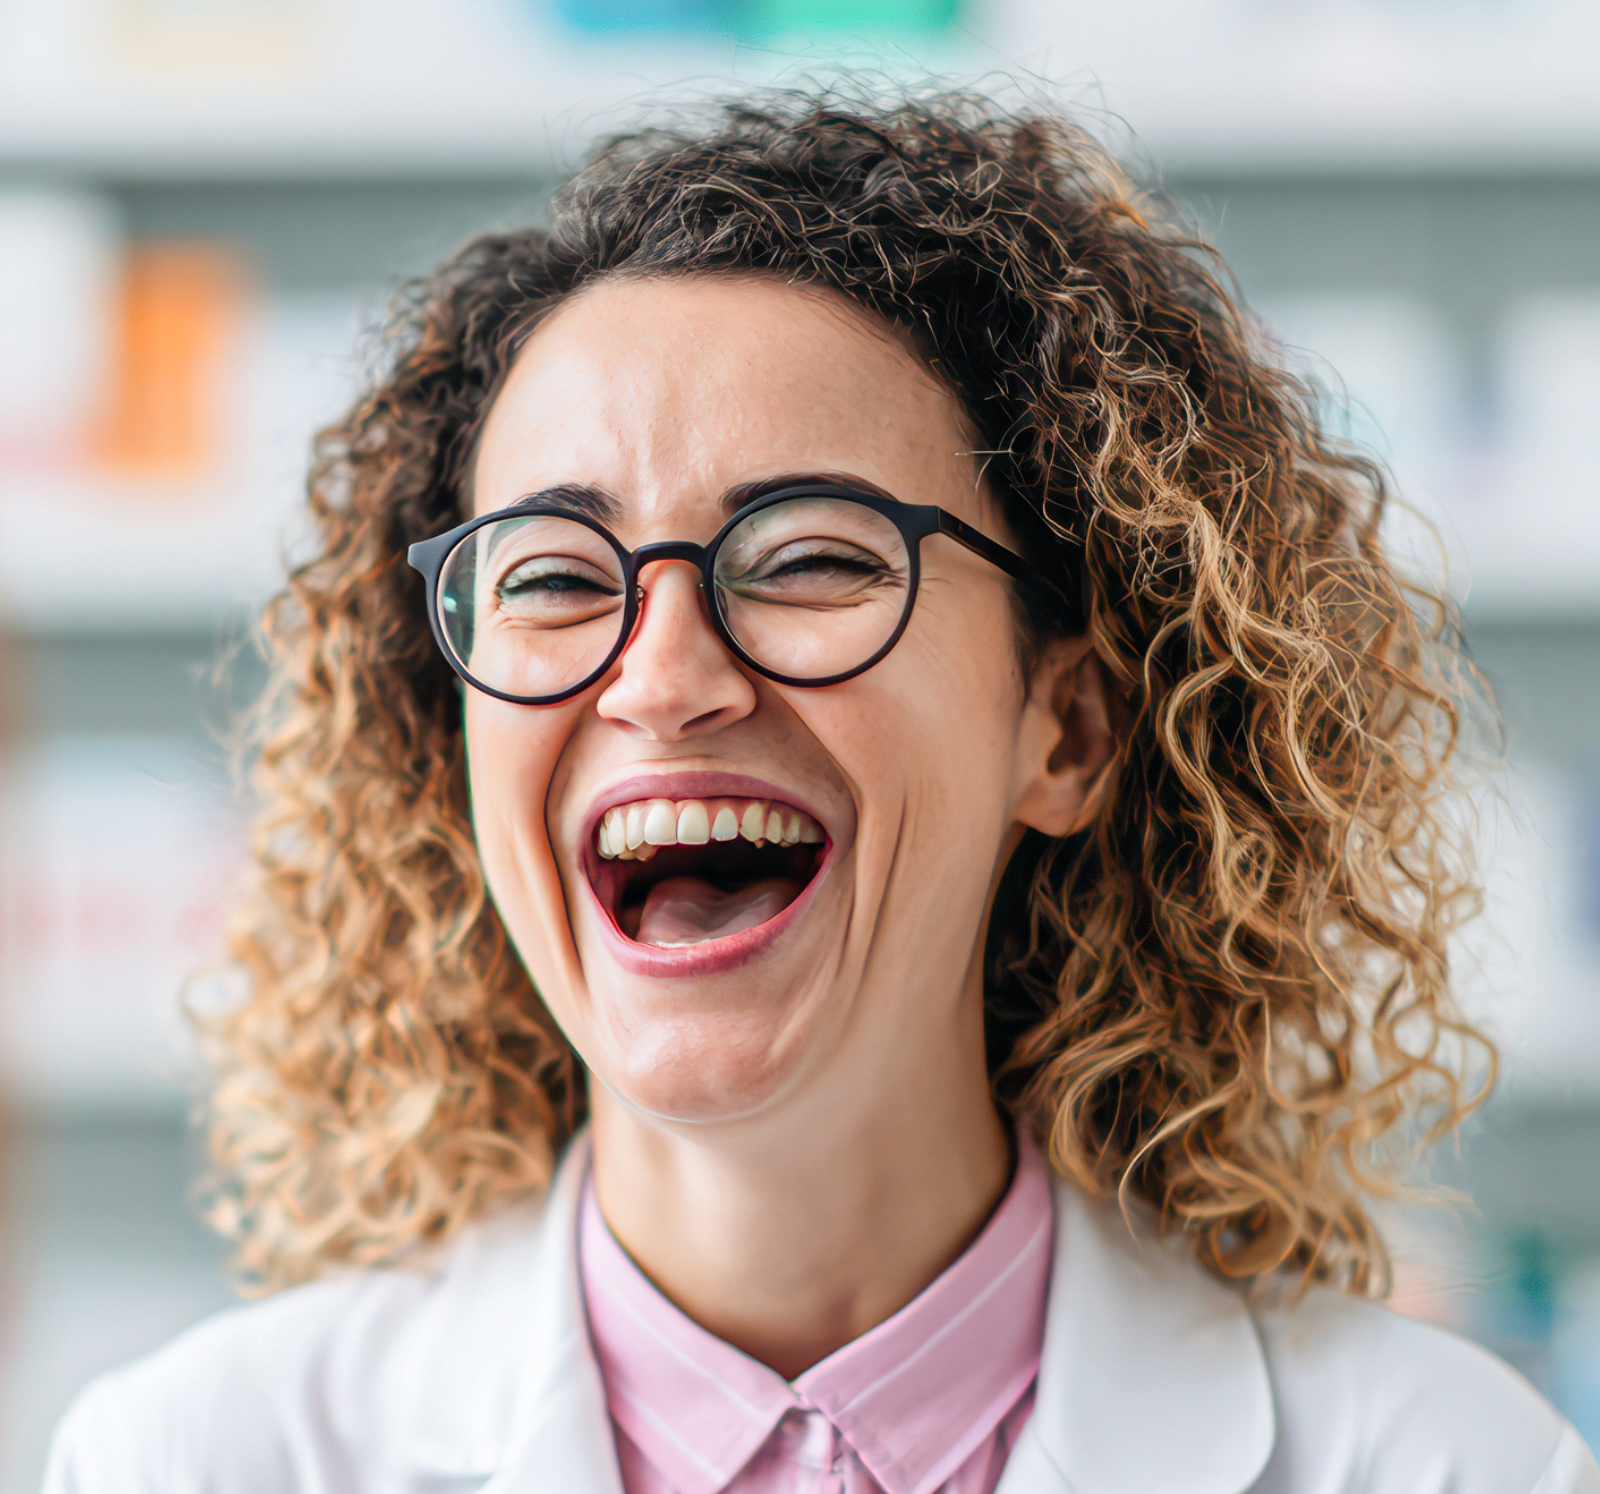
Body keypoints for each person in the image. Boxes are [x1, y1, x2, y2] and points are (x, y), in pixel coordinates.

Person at [44, 92, 1600, 1494]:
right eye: (554, 577)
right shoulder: (196, 1462)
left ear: (1065, 729)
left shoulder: (1443, 1469)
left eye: (809, 559)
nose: (659, 676)